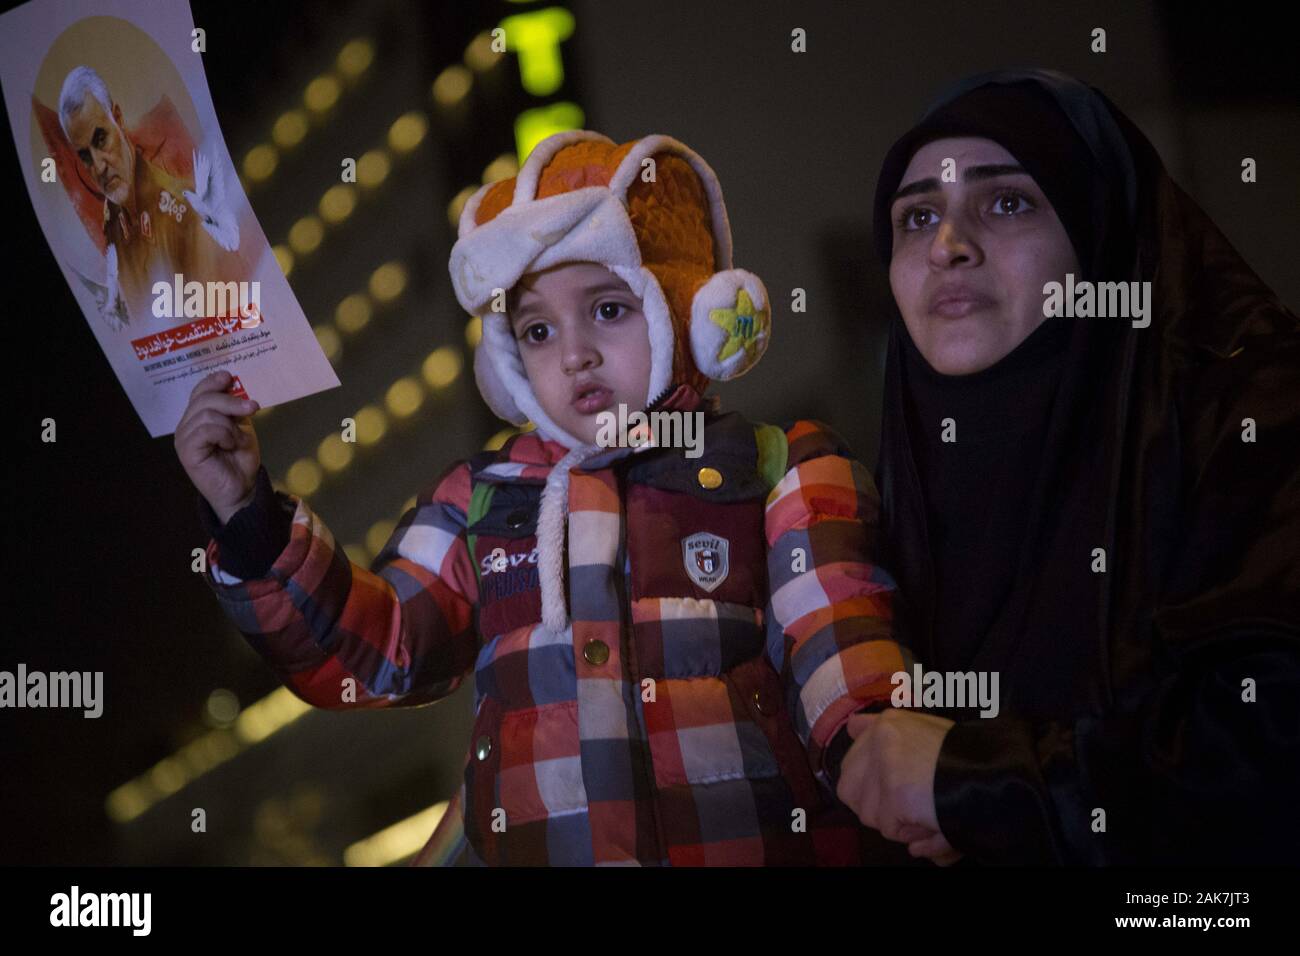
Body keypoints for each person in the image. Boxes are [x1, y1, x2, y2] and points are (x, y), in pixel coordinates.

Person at [176, 130, 911, 865]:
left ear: (690, 309)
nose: (573, 353)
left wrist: (884, 750)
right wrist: (250, 519)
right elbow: (382, 648)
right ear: (505, 362)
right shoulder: (479, 501)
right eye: (535, 328)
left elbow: (839, 647)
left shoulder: (780, 471)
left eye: (609, 309)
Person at [833, 68, 1300, 865]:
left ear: (1098, 230)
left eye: (1007, 201)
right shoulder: (882, 488)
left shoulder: (1252, 415)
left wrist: (973, 781)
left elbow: (1272, 750)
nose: (948, 245)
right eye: (916, 218)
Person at [58, 65, 238, 326]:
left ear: (118, 119)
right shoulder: (113, 228)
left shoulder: (182, 213)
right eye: (85, 156)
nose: (98, 166)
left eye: (100, 140)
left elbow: (212, 334)